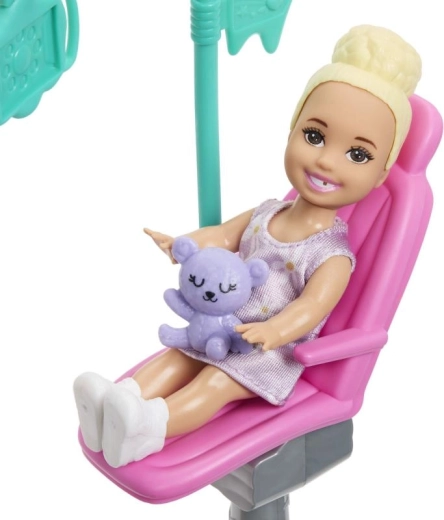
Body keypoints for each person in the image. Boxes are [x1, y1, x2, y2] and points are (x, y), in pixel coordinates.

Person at [74, 25, 422, 468]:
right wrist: (184, 244)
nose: (325, 160)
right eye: (314, 136)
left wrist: (273, 332)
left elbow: (311, 308)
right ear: (292, 130)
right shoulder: (268, 211)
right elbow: (222, 235)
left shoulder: (332, 256)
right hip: (223, 323)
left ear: (380, 175)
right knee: (178, 359)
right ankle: (114, 403)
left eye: (358, 155)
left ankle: (148, 429)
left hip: (267, 353)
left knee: (215, 384)